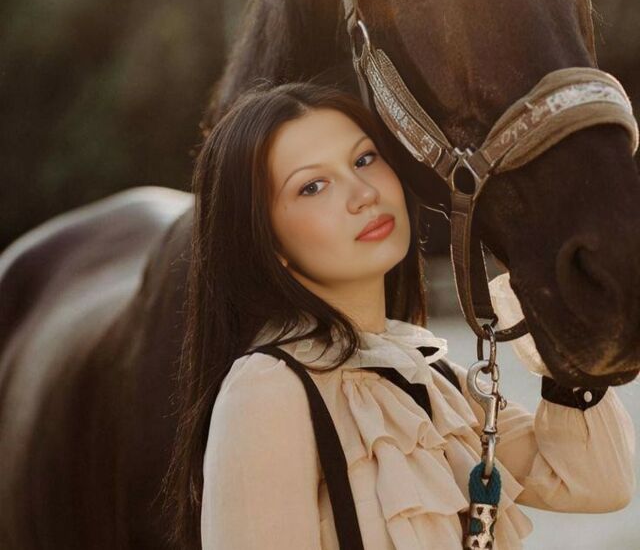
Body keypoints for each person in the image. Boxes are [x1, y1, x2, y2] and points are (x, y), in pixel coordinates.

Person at [163, 81, 636, 550]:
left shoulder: (430, 377)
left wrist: (550, 285)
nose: (363, 193)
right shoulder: (268, 390)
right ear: (268, 243)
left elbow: (594, 481)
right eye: (312, 186)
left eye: (364, 159)